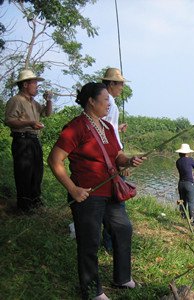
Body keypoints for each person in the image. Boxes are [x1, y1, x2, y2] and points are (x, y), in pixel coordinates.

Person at [47, 82, 144, 300]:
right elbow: (54, 160)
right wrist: (73, 189)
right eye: (105, 100)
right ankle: (92, 291)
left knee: (123, 229)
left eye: (109, 101)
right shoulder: (76, 127)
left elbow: (116, 157)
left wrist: (128, 160)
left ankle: (122, 277)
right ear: (91, 101)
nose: (109, 105)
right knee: (89, 241)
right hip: (88, 194)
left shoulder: (108, 127)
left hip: (111, 191)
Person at [4, 69, 53, 213]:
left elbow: (47, 113)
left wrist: (49, 100)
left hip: (34, 140)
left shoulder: (33, 102)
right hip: (22, 141)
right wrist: (30, 123)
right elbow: (9, 121)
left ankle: (35, 203)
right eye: (34, 83)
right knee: (24, 173)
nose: (37, 86)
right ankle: (24, 207)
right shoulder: (16, 100)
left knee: (37, 172)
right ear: (25, 84)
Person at [101, 67, 129, 253]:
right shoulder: (108, 101)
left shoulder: (108, 101)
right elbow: (102, 131)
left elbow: (106, 128)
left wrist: (117, 129)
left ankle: (109, 240)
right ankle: (111, 243)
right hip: (112, 156)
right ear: (111, 84)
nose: (122, 87)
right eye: (119, 84)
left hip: (113, 154)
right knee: (117, 199)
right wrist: (118, 157)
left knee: (114, 198)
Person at [175, 143, 194, 226]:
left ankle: (183, 218)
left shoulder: (178, 161)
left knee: (182, 202)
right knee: (191, 203)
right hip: (189, 184)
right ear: (187, 152)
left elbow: (185, 171)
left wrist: (193, 174)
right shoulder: (190, 160)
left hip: (181, 184)